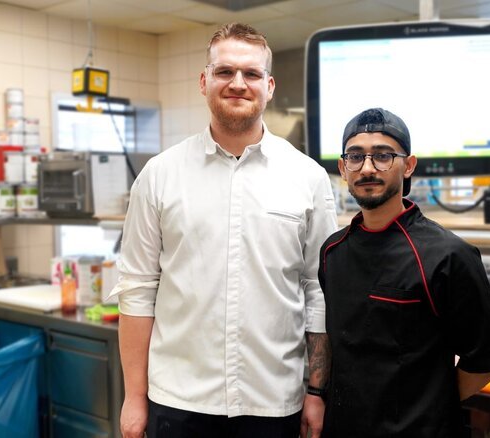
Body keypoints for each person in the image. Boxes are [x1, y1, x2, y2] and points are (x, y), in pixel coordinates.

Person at [111, 23, 337, 438]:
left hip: (273, 402)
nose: (238, 83)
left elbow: (318, 289)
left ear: (269, 86)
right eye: (224, 72)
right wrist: (134, 397)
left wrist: (316, 392)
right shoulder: (159, 176)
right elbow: (138, 288)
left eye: (251, 74)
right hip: (178, 401)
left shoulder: (307, 178)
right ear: (204, 81)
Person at [318, 108, 490, 437]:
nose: (367, 168)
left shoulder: (449, 256)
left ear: (408, 166)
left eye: (383, 156)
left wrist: (423, 406)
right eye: (355, 156)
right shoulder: (332, 252)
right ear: (342, 167)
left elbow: (484, 362)